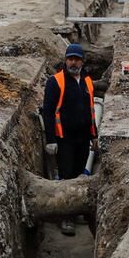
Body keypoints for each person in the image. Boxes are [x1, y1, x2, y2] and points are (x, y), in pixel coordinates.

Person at [41, 43, 98, 236]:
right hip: (64, 139)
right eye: (70, 59)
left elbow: (91, 111)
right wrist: (51, 140)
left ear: (82, 61)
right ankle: (66, 216)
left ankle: (76, 209)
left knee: (79, 173)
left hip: (82, 138)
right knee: (66, 176)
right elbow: (48, 112)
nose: (73, 62)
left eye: (77, 59)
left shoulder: (87, 81)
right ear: (65, 60)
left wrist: (94, 136)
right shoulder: (55, 82)